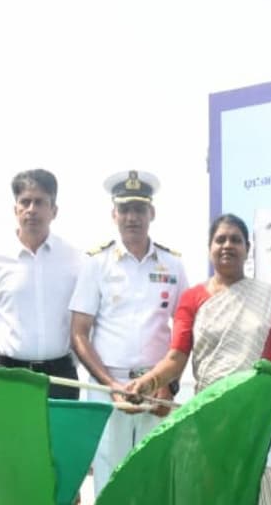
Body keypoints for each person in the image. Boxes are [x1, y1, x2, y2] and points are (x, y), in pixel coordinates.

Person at [69, 169, 188, 495]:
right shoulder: (97, 263)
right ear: (114, 214)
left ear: (152, 213)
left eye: (139, 209)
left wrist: (170, 384)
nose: (132, 217)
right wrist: (111, 386)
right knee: (110, 478)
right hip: (110, 389)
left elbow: (184, 330)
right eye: (125, 209)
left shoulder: (173, 265)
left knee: (156, 476)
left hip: (156, 387)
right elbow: (79, 333)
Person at [127, 213, 271, 396]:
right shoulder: (192, 299)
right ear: (210, 249)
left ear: (247, 249)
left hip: (255, 408)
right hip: (209, 406)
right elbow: (176, 358)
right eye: (220, 240)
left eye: (235, 240)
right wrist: (149, 382)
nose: (227, 245)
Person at [0, 169, 83, 399]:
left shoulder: (76, 260)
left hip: (59, 377)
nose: (32, 210)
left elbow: (85, 324)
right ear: (15, 209)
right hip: (8, 375)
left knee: (59, 436)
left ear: (54, 210)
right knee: (7, 436)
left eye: (40, 202)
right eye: (25, 202)